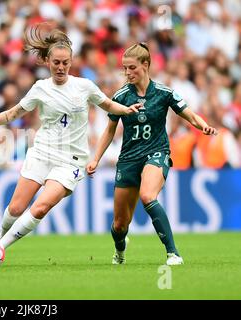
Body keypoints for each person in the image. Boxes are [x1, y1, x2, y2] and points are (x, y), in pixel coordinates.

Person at [0, 24, 141, 253]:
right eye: (56, 62)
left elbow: (106, 104)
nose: (61, 67)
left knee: (41, 207)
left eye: (66, 63)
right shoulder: (40, 89)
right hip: (42, 152)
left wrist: (125, 110)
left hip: (71, 161)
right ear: (48, 62)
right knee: (15, 208)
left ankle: (0, 248)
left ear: (71, 62)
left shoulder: (84, 86)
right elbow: (12, 114)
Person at [86, 43, 217, 266]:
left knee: (148, 195)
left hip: (157, 153)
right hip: (128, 159)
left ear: (146, 65)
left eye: (132, 68)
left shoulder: (164, 93)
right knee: (119, 224)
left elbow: (190, 115)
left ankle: (173, 253)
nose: (127, 73)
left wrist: (203, 126)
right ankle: (120, 249)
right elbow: (109, 130)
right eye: (124, 68)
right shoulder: (120, 96)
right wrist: (95, 158)